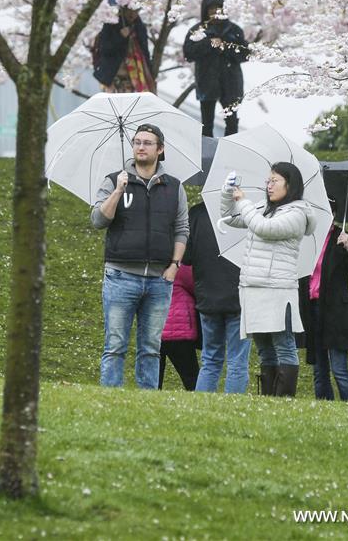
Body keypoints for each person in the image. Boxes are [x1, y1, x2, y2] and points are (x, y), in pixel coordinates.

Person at [90, 123, 189, 389]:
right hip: (121, 276)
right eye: (137, 142)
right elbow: (99, 220)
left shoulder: (174, 187)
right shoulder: (114, 180)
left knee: (151, 347)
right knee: (115, 344)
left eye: (147, 142)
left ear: (160, 149)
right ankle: (110, 397)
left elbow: (181, 229)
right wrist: (119, 190)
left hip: (159, 280)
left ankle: (147, 400)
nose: (141, 147)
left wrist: (174, 266)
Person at [220, 162, 316, 397]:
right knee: (263, 348)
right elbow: (229, 217)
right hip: (253, 288)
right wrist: (227, 193)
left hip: (277, 289)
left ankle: (283, 399)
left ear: (290, 185)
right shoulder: (264, 207)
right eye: (268, 180)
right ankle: (268, 399)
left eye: (275, 181)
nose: (269, 185)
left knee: (284, 345)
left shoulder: (297, 214)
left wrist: (243, 202)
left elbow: (264, 228)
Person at [299, 201, 348, 401]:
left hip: (335, 312)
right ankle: (324, 411)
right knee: (319, 372)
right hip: (313, 309)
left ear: (335, 214)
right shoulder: (307, 239)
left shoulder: (345, 239)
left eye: (328, 211)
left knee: (339, 369)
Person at [184, 202, 251, 393]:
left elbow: (187, 257)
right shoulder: (247, 213)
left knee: (210, 359)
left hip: (207, 296)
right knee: (237, 361)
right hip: (239, 296)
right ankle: (232, 409)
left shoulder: (197, 213)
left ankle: (202, 409)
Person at [183, 0, 249, 137]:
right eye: (211, 8)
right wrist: (209, 44)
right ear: (205, 10)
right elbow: (188, 53)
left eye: (218, 8)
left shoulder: (235, 30)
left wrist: (225, 47)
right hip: (207, 82)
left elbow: (245, 54)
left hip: (231, 83)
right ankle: (206, 155)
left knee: (232, 123)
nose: (215, 12)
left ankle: (229, 154)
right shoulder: (197, 30)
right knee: (206, 125)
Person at [92, 6, 155, 93]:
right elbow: (105, 49)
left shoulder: (139, 28)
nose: (133, 14)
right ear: (123, 9)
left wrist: (150, 74)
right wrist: (120, 37)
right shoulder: (111, 24)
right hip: (112, 77)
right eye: (130, 10)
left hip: (135, 78)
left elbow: (145, 53)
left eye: (136, 11)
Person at [158, 264, 200, 391]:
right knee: (191, 378)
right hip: (179, 331)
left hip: (155, 329)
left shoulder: (153, 266)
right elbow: (196, 286)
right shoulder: (181, 268)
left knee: (154, 379)